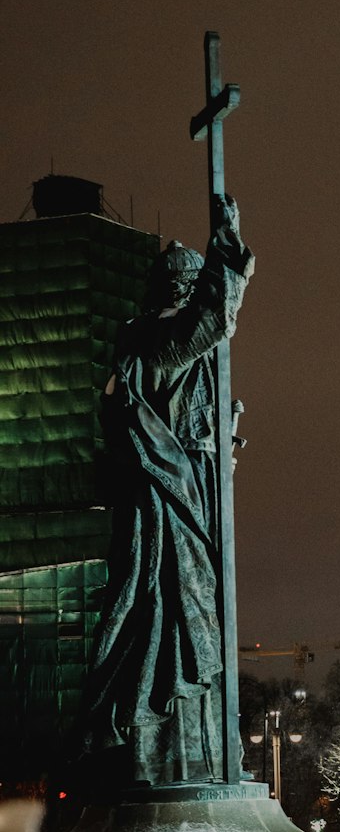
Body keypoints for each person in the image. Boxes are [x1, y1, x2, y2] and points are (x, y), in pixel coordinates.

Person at [73, 193, 254, 794]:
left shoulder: (141, 346)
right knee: (178, 612)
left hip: (171, 498)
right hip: (169, 510)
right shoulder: (157, 342)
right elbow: (214, 320)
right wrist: (225, 249)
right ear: (176, 290)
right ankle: (171, 745)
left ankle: (174, 742)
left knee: (172, 612)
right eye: (186, 285)